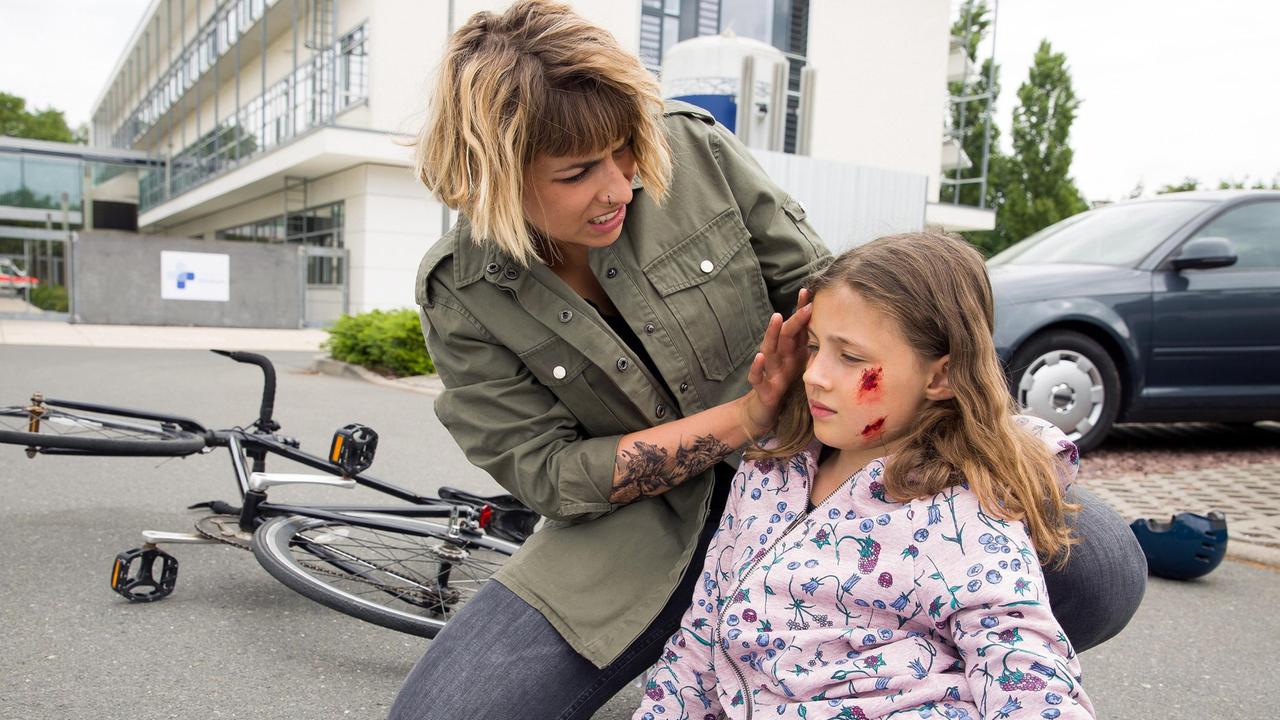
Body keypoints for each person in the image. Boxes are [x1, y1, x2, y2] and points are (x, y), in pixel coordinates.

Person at [391, 2, 1142, 718]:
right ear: (496, 174)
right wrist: (743, 417)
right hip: (637, 534)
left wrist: (963, 419)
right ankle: (742, 647)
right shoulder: (460, 292)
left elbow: (834, 298)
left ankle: (878, 654)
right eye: (579, 171)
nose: (620, 185)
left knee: (1104, 566)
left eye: (626, 150)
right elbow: (549, 475)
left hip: (822, 469)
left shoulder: (691, 149)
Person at [634, 233, 1094, 719]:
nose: (814, 375)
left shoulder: (964, 512)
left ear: (941, 377)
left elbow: (1025, 669)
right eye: (814, 347)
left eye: (850, 357)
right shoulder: (769, 468)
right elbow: (702, 633)